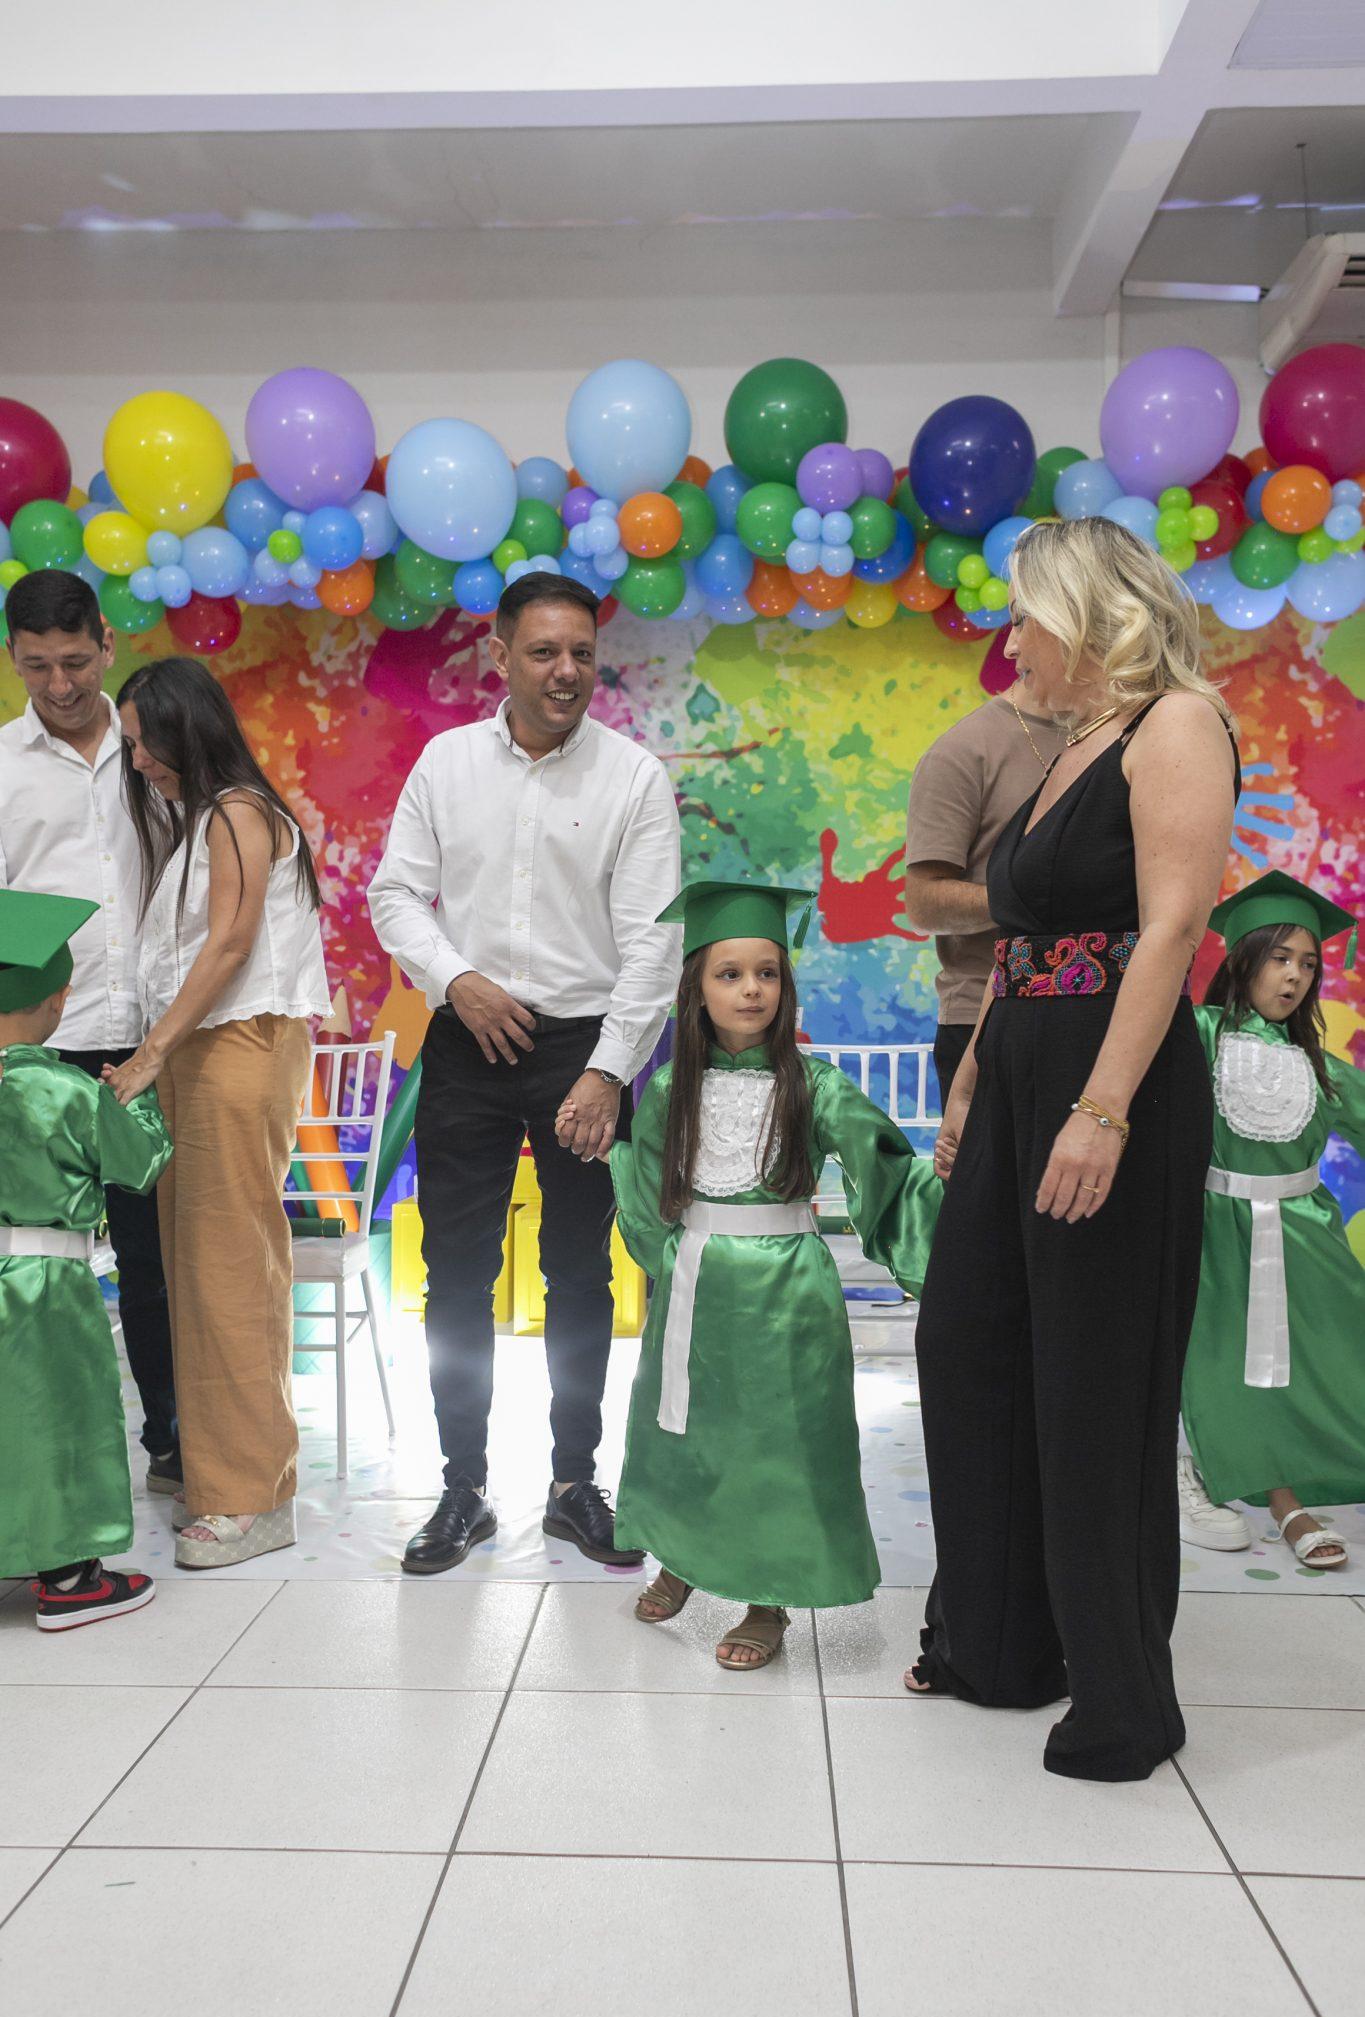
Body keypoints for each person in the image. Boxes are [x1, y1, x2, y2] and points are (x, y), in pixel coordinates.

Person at [907, 518, 1239, 1782]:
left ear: (1091, 615)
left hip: (1115, 1075)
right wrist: (975, 1079)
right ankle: (1000, 1645)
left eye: (1024, 618)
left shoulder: (1177, 722)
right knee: (970, 1342)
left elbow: (1170, 927)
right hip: (1020, 1065)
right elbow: (1024, 940)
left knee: (1093, 1382)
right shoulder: (1069, 747)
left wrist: (1102, 1109)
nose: (1011, 644)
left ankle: (1121, 1699)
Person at [368, 571, 681, 1575]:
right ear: (500, 655)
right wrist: (456, 981)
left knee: (580, 1272)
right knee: (455, 1272)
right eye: (544, 651)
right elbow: (394, 894)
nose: (565, 671)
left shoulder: (633, 777)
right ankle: (462, 1486)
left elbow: (654, 944)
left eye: (581, 652)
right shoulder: (447, 763)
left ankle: (572, 1484)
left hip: (582, 1051)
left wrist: (606, 1073)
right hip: (466, 1037)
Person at [585, 879, 941, 1670]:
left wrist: (951, 1185)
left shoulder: (815, 1085)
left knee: (778, 1443)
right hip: (697, 1284)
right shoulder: (670, 1088)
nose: (751, 989)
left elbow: (883, 1164)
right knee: (686, 1431)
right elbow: (647, 1187)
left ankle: (766, 1598)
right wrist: (670, 1254)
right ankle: (683, 1557)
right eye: (730, 974)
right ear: (696, 991)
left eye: (767, 973)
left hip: (789, 1293)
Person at [104, 657, 330, 1571]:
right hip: (201, 1055)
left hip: (238, 1047)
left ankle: (254, 1496)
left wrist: (152, 1050)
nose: (138, 760)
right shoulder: (198, 821)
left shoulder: (239, 810)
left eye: (145, 741)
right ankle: (219, 1472)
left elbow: (232, 942)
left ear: (187, 728)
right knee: (193, 1270)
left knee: (231, 1268)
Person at [1, 570, 178, 1492]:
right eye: (37, 666)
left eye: (74, 661)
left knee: (155, 1261)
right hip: (34, 1052)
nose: (60, 684)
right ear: (12, 657)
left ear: (107, 643)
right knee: (31, 1264)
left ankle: (171, 1446)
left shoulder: (156, 749)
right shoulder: (2, 763)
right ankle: (35, 1465)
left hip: (150, 1041)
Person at [1177, 873, 1364, 1569]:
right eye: (1280, 957)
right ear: (1243, 958)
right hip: (1214, 1233)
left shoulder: (1322, 1069)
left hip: (1306, 1238)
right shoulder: (1198, 1035)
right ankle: (1265, 1496)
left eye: (1308, 964)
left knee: (1327, 1367)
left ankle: (1293, 1493)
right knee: (1225, 1369)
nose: (1294, 976)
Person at [0, 888, 172, 1629]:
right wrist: (137, 1097)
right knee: (58, 1413)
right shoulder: (65, 1088)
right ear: (58, 1000)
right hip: (44, 1283)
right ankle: (70, 1578)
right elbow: (141, 1164)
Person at [905, 664, 1063, 1104]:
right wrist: (1033, 899)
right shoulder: (962, 750)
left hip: (1097, 1010)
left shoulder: (1119, 735)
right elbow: (923, 903)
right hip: (983, 1016)